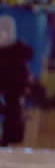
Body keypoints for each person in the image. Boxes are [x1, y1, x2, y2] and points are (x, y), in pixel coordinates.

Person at [0, 15, 33, 146]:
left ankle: (9, 138)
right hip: (9, 92)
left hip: (13, 93)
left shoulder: (18, 53)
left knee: (12, 116)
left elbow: (22, 75)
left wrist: (23, 89)